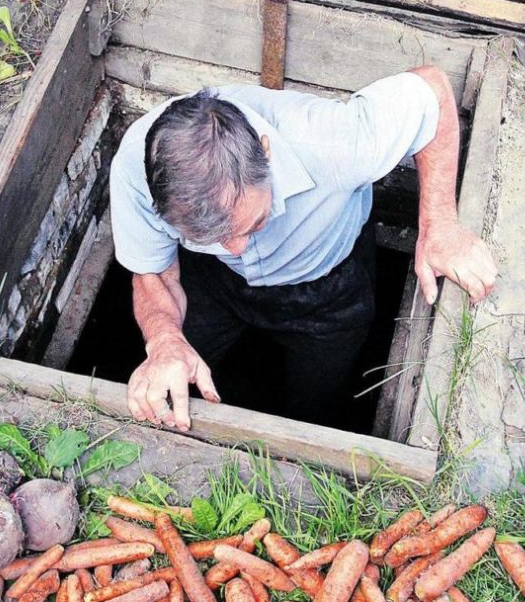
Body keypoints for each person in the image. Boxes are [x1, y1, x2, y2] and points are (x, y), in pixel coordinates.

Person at [109, 65, 498, 432]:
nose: (236, 247)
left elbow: (431, 90)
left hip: (328, 291)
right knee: (170, 374)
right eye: (211, 237)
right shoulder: (137, 167)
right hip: (214, 285)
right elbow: (156, 271)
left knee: (313, 408)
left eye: (252, 223)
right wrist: (163, 340)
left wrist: (440, 224)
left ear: (265, 151)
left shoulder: (335, 141)